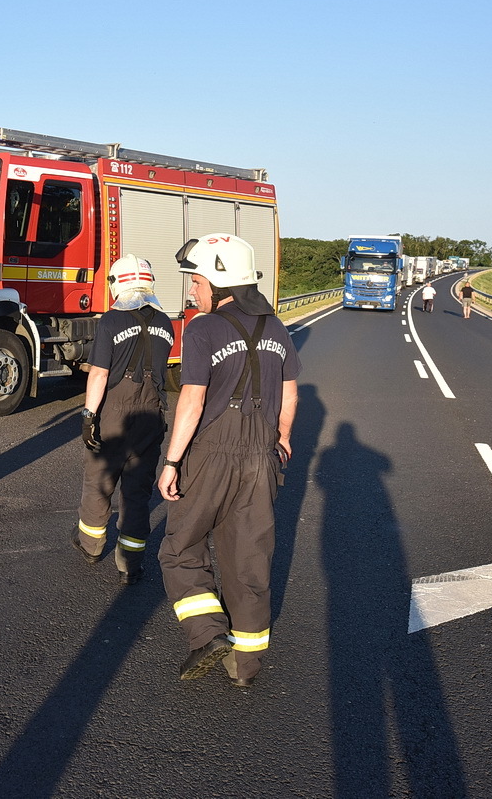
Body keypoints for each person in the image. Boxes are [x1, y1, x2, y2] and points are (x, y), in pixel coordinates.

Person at [157, 233, 301, 687]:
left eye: (196, 280)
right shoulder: (277, 328)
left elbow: (192, 401)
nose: (192, 290)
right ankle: (245, 665)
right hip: (262, 456)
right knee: (249, 561)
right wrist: (282, 437)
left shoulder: (202, 328)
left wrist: (172, 460)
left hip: (212, 455)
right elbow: (290, 392)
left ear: (218, 285)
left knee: (180, 550)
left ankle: (207, 634)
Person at [73, 254, 175, 584]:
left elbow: (99, 374)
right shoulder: (166, 322)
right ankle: (130, 563)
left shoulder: (111, 321)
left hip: (114, 413)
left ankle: (91, 545)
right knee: (137, 491)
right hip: (151, 413)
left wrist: (89, 415)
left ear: (119, 283)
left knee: (99, 482)